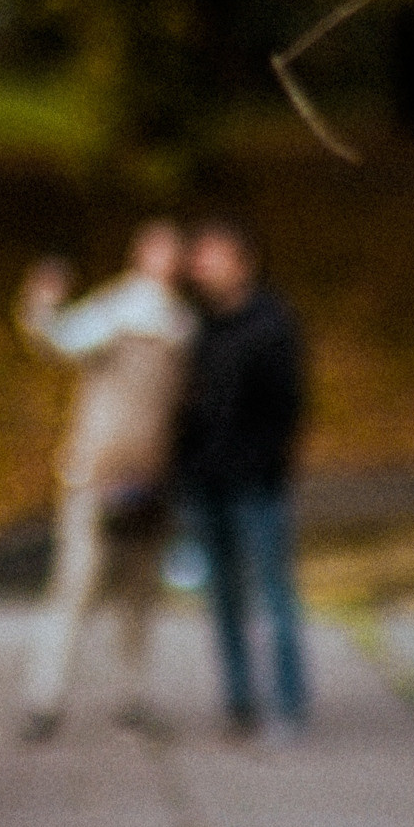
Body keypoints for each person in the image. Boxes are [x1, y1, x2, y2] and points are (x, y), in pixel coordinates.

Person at [13, 219, 195, 742]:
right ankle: (43, 697)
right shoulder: (117, 309)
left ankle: (132, 697)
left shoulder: (183, 324)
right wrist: (40, 303)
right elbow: (57, 340)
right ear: (139, 252)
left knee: (140, 593)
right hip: (96, 475)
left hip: (152, 481)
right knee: (76, 585)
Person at [174, 219, 310, 735]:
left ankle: (288, 705)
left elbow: (288, 409)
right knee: (224, 597)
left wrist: (263, 463)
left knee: (274, 595)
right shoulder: (197, 326)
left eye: (213, 253)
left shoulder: (273, 324)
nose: (201, 264)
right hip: (204, 484)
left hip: (257, 486)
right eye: (199, 254)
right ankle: (239, 702)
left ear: (243, 261)